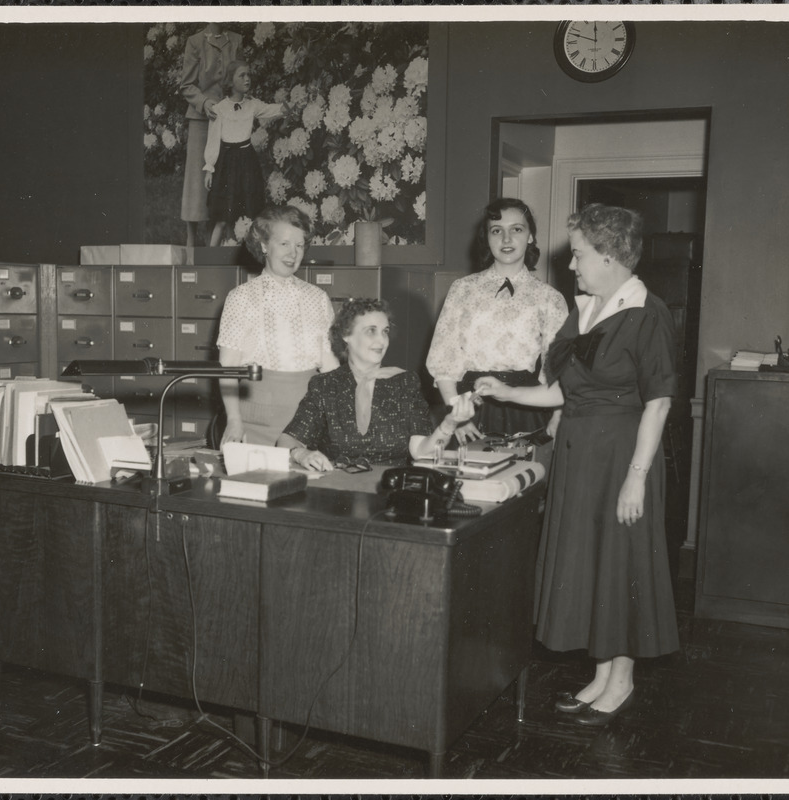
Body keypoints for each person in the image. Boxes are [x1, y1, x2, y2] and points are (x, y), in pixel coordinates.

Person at [474, 203, 679, 727]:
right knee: (593, 565)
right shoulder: (585, 309)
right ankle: (602, 673)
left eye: (581, 255)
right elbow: (560, 392)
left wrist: (636, 478)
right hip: (580, 455)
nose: (572, 265)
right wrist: (505, 389)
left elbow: (658, 403)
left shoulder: (648, 313)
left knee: (622, 563)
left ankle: (622, 678)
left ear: (610, 256)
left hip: (622, 458)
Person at [426, 198, 568, 445]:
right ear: (487, 238)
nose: (506, 239)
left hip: (526, 409)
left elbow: (558, 369)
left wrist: (557, 414)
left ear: (530, 236)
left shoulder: (550, 298)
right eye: (496, 230)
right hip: (468, 409)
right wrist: (456, 414)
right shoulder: (462, 289)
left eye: (516, 229)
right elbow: (444, 359)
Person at [278, 299, 477, 470]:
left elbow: (421, 452)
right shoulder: (325, 385)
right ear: (346, 335)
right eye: (371, 331)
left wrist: (448, 424)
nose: (381, 340)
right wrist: (302, 455)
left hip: (390, 490)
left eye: (385, 331)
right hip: (337, 489)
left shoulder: (405, 382)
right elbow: (287, 440)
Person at [216, 205, 340, 446]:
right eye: (284, 244)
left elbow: (329, 365)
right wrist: (233, 420)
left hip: (308, 421)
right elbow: (227, 368)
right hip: (256, 423)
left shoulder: (318, 297)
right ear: (264, 245)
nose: (293, 253)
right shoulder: (241, 297)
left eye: (300, 245)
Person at [204, 60, 286, 247]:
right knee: (223, 215)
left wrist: (289, 108)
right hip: (226, 165)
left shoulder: (252, 105)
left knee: (251, 209)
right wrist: (209, 168)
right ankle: (209, 260)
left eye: (249, 75)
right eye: (242, 75)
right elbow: (213, 140)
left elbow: (271, 110)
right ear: (230, 81)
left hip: (247, 162)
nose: (247, 79)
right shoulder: (219, 109)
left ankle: (253, 256)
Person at [178, 23, 243, 247]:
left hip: (228, 118)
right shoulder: (195, 42)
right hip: (201, 119)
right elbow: (186, 85)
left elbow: (240, 78)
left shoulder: (235, 40)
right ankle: (190, 240)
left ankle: (216, 238)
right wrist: (205, 103)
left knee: (223, 175)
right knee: (196, 179)